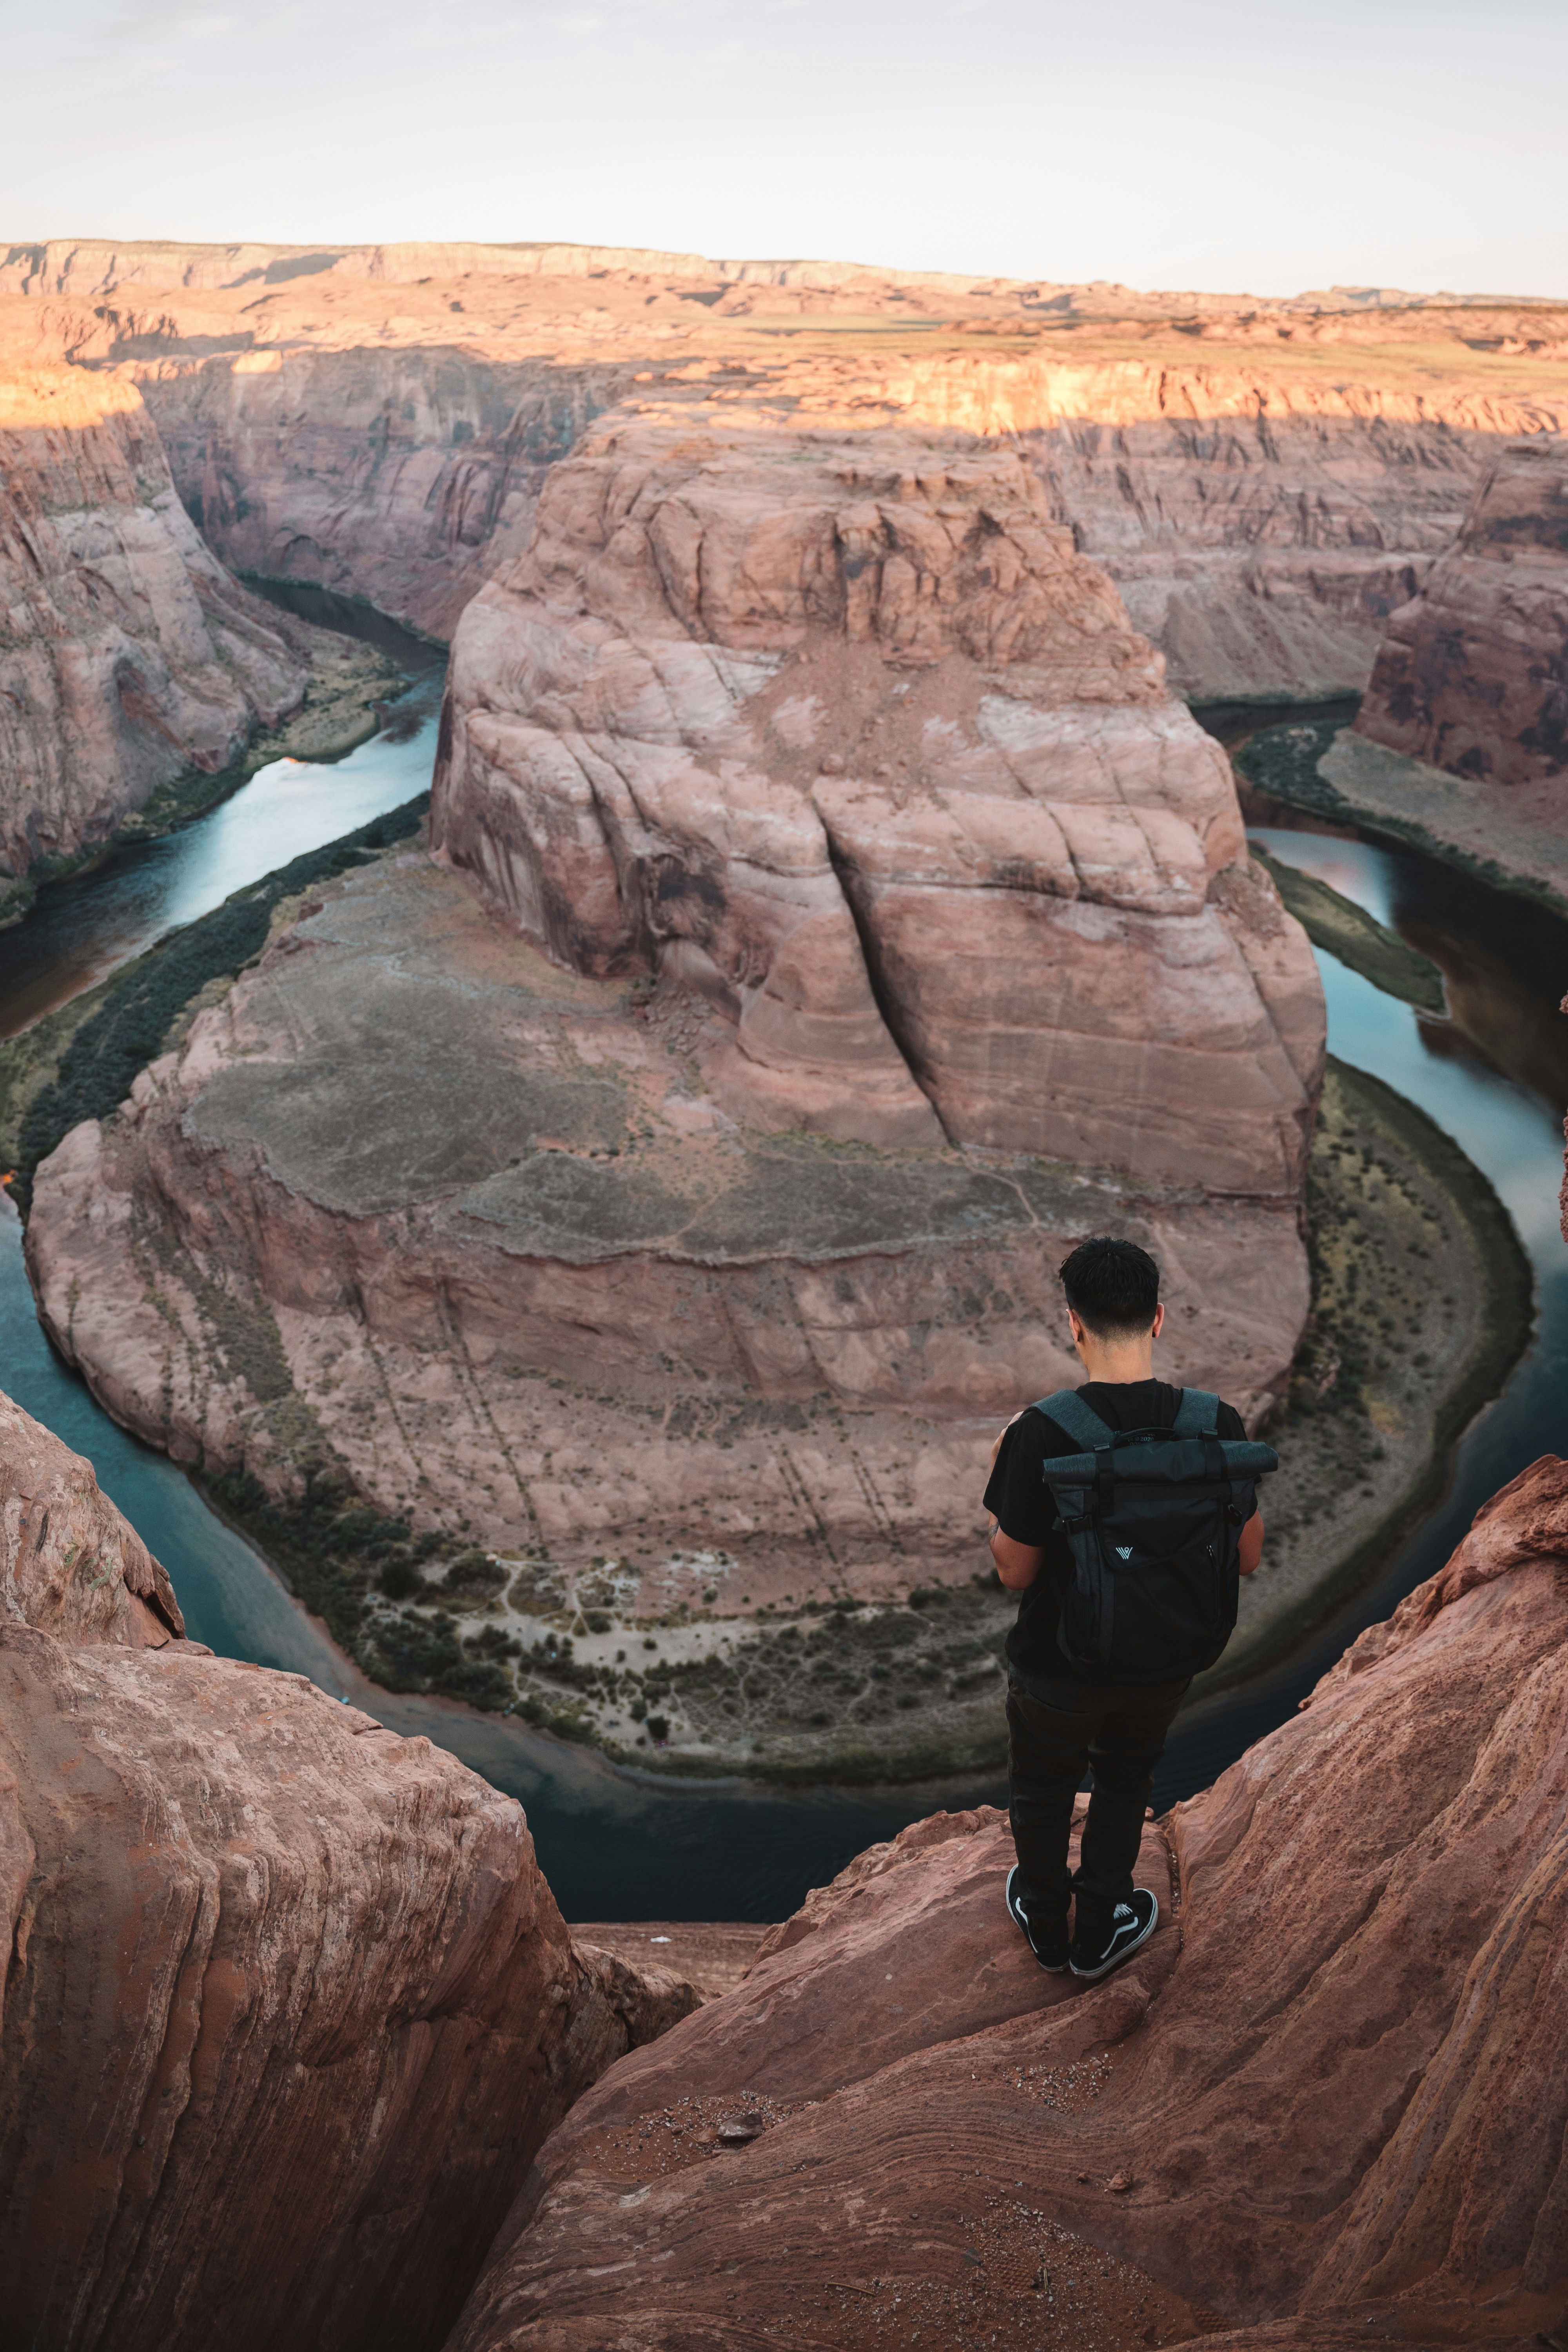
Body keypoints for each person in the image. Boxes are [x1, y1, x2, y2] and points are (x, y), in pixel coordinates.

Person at [984, 1236, 1265, 1982]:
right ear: (1160, 1319)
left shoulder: (1040, 1432)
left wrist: (1000, 1475)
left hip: (1058, 1670)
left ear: (1072, 1324)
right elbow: (1248, 1556)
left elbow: (1015, 1571)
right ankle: (1102, 1924)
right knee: (1126, 1778)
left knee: (1042, 1790)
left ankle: (1046, 1924)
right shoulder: (1216, 1423)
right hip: (1167, 1658)